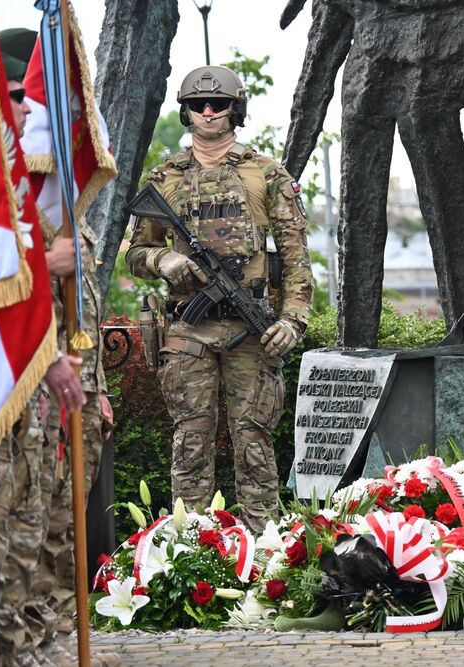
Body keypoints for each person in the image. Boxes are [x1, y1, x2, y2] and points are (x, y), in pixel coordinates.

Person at [126, 66, 313, 532]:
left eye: (219, 104)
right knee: (190, 440)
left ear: (236, 109)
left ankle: (265, 554)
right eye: (197, 105)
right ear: (186, 112)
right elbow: (135, 253)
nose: (208, 112)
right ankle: (191, 549)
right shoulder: (165, 177)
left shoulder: (266, 174)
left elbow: (296, 261)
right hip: (188, 330)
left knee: (254, 442)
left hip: (253, 331)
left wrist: (292, 323)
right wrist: (162, 261)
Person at [0, 28, 87, 666]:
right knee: (9, 525)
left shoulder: (22, 189)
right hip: (9, 377)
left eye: (26, 97)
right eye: (13, 96)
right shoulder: (3, 194)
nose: (25, 109)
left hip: (36, 381)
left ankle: (28, 639)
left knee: (33, 519)